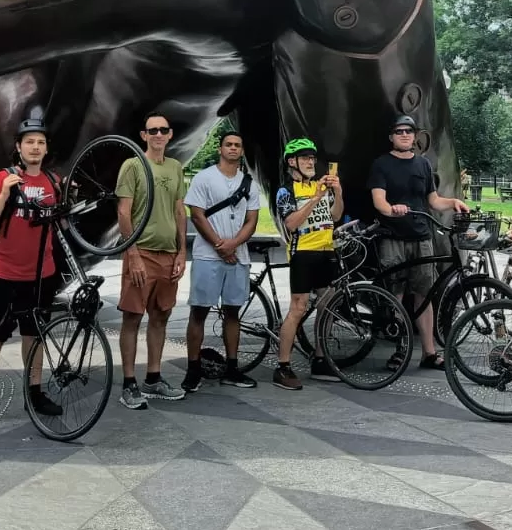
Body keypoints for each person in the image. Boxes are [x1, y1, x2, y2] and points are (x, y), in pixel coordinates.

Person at [0, 110, 63, 428]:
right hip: (4, 273)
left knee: (34, 336)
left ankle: (34, 393)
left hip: (40, 275)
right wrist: (6, 193)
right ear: (19, 147)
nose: (35, 147)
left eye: (40, 142)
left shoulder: (54, 182)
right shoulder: (2, 178)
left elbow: (62, 224)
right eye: (29, 142)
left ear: (46, 149)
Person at [368, 115, 468, 370]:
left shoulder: (423, 165)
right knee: (396, 293)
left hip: (422, 237)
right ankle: (401, 349)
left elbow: (433, 200)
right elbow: (379, 202)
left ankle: (429, 352)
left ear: (415, 136)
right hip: (393, 237)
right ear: (391, 136)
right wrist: (393, 208)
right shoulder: (381, 164)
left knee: (424, 294)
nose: (404, 135)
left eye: (409, 131)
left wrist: (453, 202)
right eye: (399, 131)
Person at [116, 112, 189, 409]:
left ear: (170, 134)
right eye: (152, 130)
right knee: (132, 318)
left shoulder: (175, 167)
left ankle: (154, 377)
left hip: (168, 254)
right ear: (143, 135)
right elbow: (123, 212)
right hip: (141, 252)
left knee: (161, 316)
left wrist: (182, 251)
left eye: (163, 130)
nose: (158, 134)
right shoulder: (133, 165)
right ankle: (129, 383)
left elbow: (179, 211)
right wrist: (131, 254)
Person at [182, 129, 261, 392]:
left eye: (238, 145)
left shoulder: (249, 183)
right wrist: (220, 245)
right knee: (199, 311)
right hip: (208, 255)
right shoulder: (204, 178)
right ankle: (193, 369)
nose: (233, 149)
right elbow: (196, 215)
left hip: (237, 255)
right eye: (228, 144)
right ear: (220, 148)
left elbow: (252, 220)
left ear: (242, 150)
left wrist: (234, 245)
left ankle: (232, 367)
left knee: (232, 311)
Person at [271, 137, 343, 390]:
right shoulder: (286, 190)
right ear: (292, 162)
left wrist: (337, 191)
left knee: (328, 305)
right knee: (298, 308)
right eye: (305, 158)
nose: (311, 162)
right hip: (303, 253)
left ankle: (321, 358)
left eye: (312, 158)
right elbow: (290, 224)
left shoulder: (317, 185)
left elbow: (334, 216)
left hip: (326, 250)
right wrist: (314, 198)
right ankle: (283, 365)